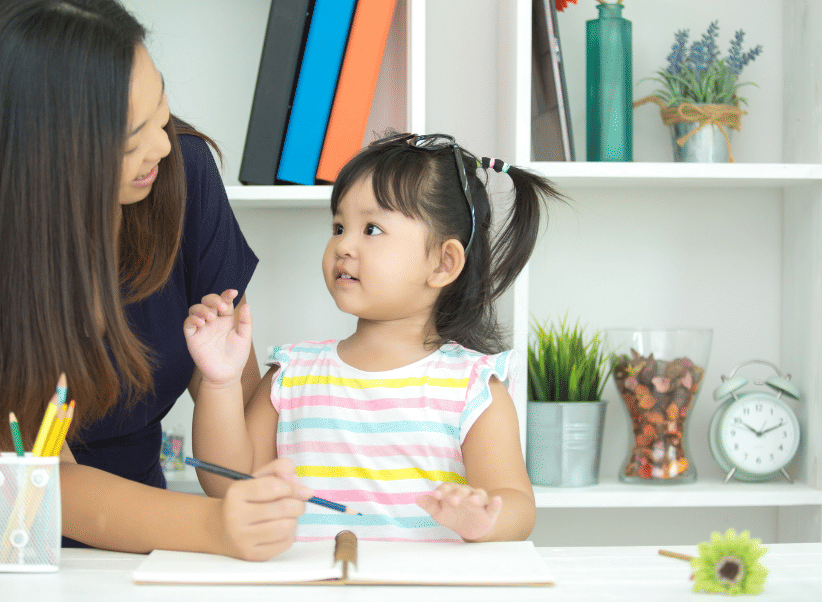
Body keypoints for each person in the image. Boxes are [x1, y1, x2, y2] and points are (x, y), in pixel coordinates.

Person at [0, 0, 312, 560]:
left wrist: (253, 489)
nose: (161, 146)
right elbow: (53, 485)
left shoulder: (179, 174)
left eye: (161, 107)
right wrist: (218, 527)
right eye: (131, 141)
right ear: (46, 161)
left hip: (143, 533)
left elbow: (229, 390)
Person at [185, 133, 561, 542]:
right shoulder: (292, 376)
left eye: (372, 229)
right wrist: (220, 383)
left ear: (443, 262)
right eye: (339, 226)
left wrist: (482, 520)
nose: (343, 244)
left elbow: (518, 507)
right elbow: (229, 484)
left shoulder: (472, 388)